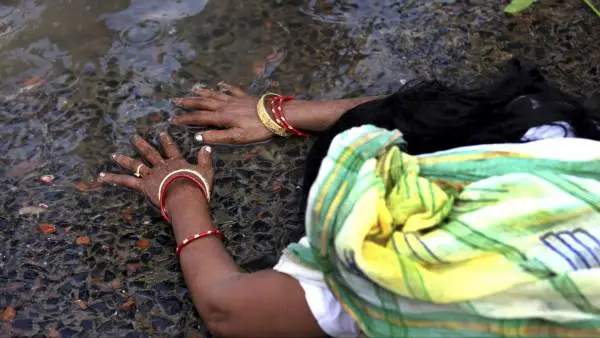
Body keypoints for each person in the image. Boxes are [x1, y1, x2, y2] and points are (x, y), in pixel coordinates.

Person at [97, 59, 600, 337]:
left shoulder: (401, 266)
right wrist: (286, 114)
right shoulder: (563, 145)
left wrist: (181, 190)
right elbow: (456, 114)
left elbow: (230, 309)